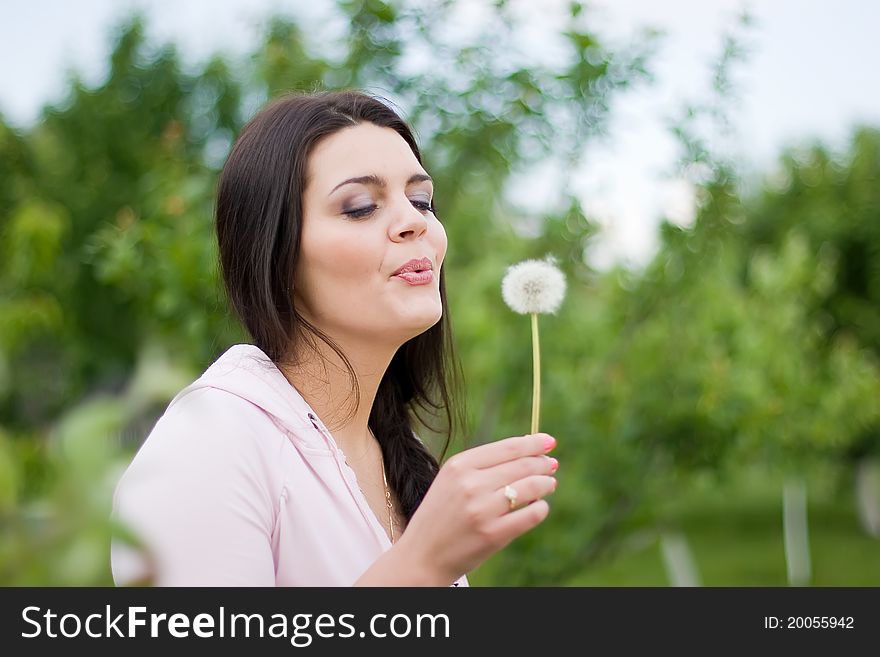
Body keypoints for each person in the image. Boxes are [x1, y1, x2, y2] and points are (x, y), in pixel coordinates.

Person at [110, 89, 559, 586]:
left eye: (421, 200)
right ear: (274, 251)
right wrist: (422, 564)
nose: (414, 222)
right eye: (362, 206)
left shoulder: (397, 451)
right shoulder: (211, 441)